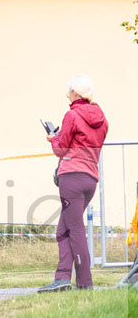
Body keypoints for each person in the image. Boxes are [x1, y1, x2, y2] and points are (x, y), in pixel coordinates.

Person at [39, 74, 108, 292]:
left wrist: (53, 139)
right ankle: (61, 278)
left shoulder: (72, 115)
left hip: (72, 177)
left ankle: (85, 283)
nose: (68, 95)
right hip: (91, 178)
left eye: (69, 92)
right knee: (64, 230)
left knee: (75, 229)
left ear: (76, 93)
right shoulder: (103, 119)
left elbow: (61, 149)